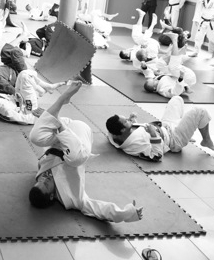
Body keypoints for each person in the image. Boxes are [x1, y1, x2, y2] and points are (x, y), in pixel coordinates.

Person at [28, 81, 143, 223]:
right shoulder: (72, 198)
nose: (44, 179)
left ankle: (62, 99)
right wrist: (127, 214)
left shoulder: (42, 174)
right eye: (46, 184)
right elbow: (97, 208)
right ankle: (55, 119)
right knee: (76, 159)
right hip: (79, 136)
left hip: (62, 132)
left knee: (35, 137)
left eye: (40, 181)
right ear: (52, 196)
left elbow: (43, 165)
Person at [106, 95, 214, 162]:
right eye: (125, 121)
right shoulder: (135, 145)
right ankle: (205, 140)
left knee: (176, 99)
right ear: (122, 130)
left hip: (165, 126)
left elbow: (113, 131)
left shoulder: (114, 135)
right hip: (173, 139)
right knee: (200, 111)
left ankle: (187, 132)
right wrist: (153, 135)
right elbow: (157, 156)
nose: (127, 119)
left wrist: (131, 120)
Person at [142, 31, 196, 97]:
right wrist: (180, 79)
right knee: (172, 67)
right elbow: (174, 93)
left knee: (159, 64)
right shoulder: (163, 89)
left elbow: (149, 74)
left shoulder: (156, 79)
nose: (154, 79)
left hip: (174, 74)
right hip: (187, 78)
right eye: (153, 81)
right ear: (154, 88)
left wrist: (144, 68)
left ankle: (179, 48)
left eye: (153, 79)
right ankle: (174, 40)